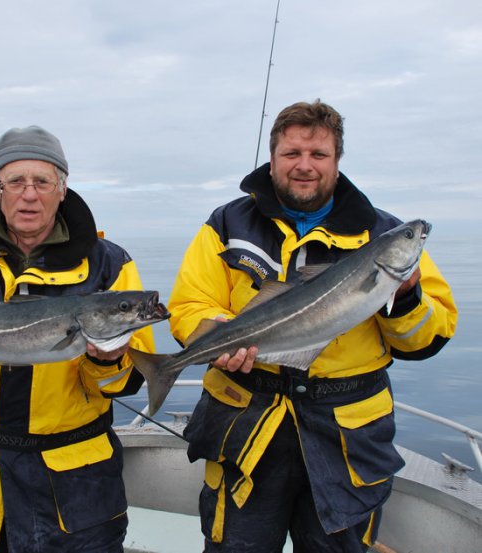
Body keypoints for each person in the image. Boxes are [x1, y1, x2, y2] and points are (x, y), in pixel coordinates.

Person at [168, 100, 457, 552]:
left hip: (347, 436)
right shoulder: (228, 222)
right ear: (273, 157)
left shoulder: (381, 233)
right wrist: (216, 331)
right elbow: (189, 303)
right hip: (247, 420)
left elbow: (428, 338)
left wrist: (404, 297)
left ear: (337, 162)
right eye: (292, 154)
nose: (305, 166)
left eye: (318, 155)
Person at [0, 126, 156, 552]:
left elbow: (129, 380)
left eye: (42, 181)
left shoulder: (109, 265)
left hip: (74, 483)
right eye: (15, 181)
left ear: (62, 190)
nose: (29, 194)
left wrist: (106, 361)